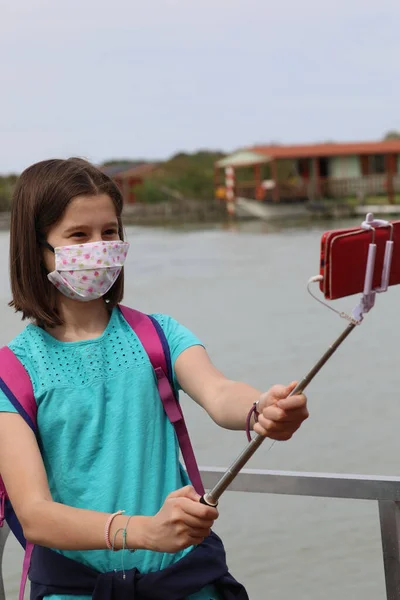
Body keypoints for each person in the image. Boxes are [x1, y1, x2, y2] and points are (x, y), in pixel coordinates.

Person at [0, 158, 309, 600]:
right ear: (36, 247)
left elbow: (219, 392)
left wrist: (262, 408)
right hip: (75, 590)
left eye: (110, 232)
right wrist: (145, 532)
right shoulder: (12, 369)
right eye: (79, 235)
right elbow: (34, 514)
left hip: (186, 581)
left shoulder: (158, 334)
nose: (99, 246)